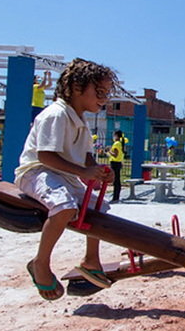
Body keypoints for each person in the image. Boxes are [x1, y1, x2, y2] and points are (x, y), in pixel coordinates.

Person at [15, 58, 118, 300]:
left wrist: (100, 172)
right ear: (75, 87)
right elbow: (45, 155)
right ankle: (40, 262)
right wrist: (84, 172)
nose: (104, 98)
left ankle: (91, 260)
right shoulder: (57, 115)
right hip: (37, 172)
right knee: (64, 207)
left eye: (106, 93)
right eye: (99, 92)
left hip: (63, 176)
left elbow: (87, 161)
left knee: (99, 208)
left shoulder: (81, 121)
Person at [108, 130, 125, 203]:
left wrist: (109, 151)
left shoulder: (116, 144)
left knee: (116, 180)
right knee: (117, 180)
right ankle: (116, 196)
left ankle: (115, 196)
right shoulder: (120, 143)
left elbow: (115, 155)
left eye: (114, 135)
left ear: (117, 135)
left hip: (115, 163)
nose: (113, 136)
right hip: (118, 163)